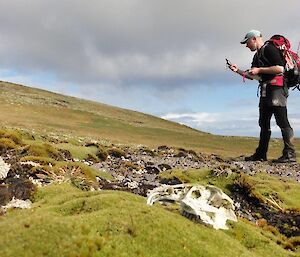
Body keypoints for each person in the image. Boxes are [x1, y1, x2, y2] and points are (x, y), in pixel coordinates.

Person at [229, 29, 296, 163]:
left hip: (277, 89)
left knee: (282, 121)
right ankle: (261, 154)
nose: (246, 45)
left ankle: (290, 154)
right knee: (263, 123)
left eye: (247, 42)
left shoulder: (269, 48)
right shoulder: (257, 56)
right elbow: (254, 76)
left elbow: (280, 69)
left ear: (254, 39)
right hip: (266, 90)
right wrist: (238, 71)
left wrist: (259, 70)